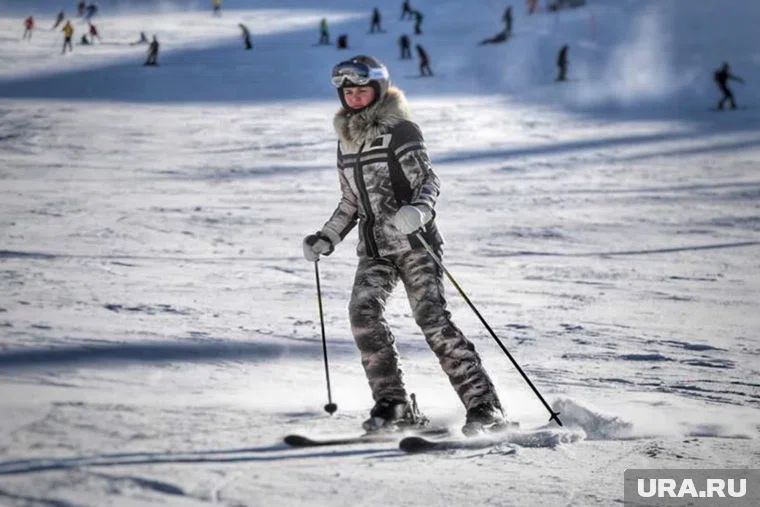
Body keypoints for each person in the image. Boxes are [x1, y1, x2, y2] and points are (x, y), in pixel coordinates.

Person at [303, 55, 506, 436]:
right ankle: (393, 404)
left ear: (378, 90)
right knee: (362, 314)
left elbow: (428, 181)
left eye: (362, 90)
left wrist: (419, 210)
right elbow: (351, 201)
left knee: (432, 319)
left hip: (414, 243)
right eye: (349, 92)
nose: (355, 97)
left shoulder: (401, 131)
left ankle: (485, 405)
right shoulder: (346, 143)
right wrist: (327, 236)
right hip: (375, 249)